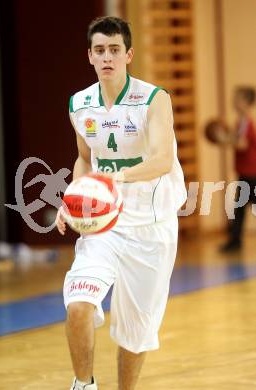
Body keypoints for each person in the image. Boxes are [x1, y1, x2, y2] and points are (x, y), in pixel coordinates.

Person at [56, 16, 187, 390]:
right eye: (100, 50)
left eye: (114, 49)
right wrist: (73, 199)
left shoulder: (153, 99)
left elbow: (163, 159)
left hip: (152, 226)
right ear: (90, 56)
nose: (107, 57)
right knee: (78, 305)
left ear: (128, 54)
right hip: (104, 225)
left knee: (134, 334)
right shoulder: (80, 104)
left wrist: (117, 178)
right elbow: (84, 157)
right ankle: (84, 385)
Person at [220, 86, 256, 252]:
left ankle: (235, 240)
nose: (233, 101)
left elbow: (242, 144)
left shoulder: (246, 122)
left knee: (241, 206)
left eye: (238, 98)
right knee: (239, 208)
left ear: (246, 102)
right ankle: (235, 240)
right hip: (245, 171)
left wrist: (224, 139)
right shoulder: (239, 121)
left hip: (251, 172)